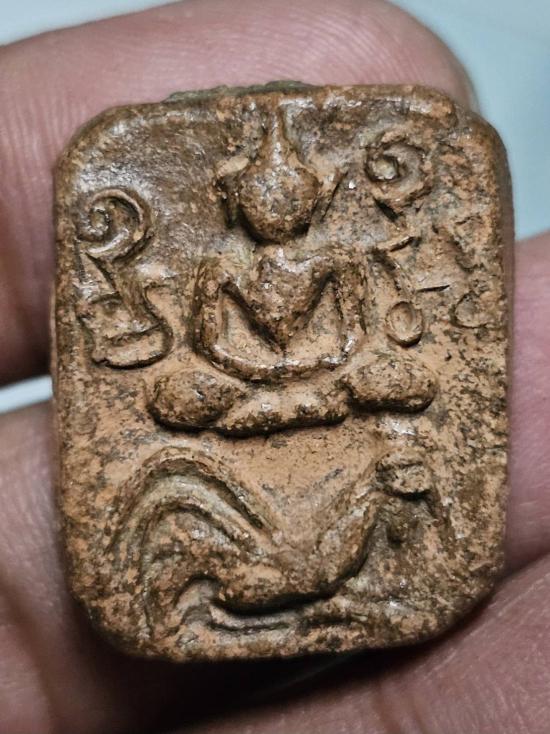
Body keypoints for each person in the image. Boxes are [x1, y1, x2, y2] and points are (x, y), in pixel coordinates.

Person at [0, 1, 549, 732]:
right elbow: (211, 345)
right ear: (236, 203)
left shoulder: (340, 261)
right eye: (262, 202)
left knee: (398, 393)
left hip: (327, 384)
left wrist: (316, 373)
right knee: (176, 397)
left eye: (290, 202)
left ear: (313, 200)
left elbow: (352, 339)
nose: (277, 215)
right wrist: (257, 379)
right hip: (243, 390)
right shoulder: (220, 268)